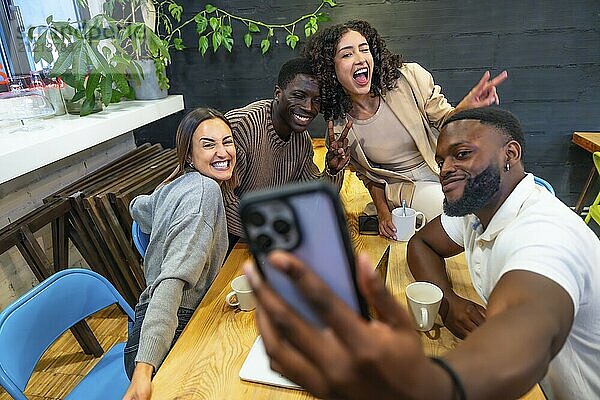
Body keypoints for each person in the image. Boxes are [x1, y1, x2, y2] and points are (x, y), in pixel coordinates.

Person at [244, 108, 600, 399]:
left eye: (462, 154)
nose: (445, 169)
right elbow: (421, 244)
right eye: (441, 159)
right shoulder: (478, 213)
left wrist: (429, 384)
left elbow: (525, 330)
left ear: (510, 154)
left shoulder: (545, 232)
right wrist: (449, 301)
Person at [303, 20, 508, 239]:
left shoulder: (408, 79)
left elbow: (444, 121)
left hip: (444, 167)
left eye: (365, 49)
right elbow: (370, 178)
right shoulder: (340, 129)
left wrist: (466, 106)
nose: (360, 58)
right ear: (330, 70)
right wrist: (383, 214)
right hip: (407, 188)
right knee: (460, 215)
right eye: (347, 54)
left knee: (500, 196)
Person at [122, 108, 236, 400]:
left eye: (227, 141)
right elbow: (171, 282)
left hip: (148, 320)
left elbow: (138, 207)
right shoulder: (204, 193)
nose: (223, 152)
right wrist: (144, 371)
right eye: (208, 145)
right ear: (188, 155)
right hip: (164, 333)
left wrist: (158, 211)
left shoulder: (176, 183)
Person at [223, 57, 352, 241]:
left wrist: (333, 170)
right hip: (232, 243)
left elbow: (313, 200)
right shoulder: (242, 126)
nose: (309, 108)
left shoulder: (302, 141)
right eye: (299, 96)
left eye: (316, 100)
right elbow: (224, 202)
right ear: (277, 93)